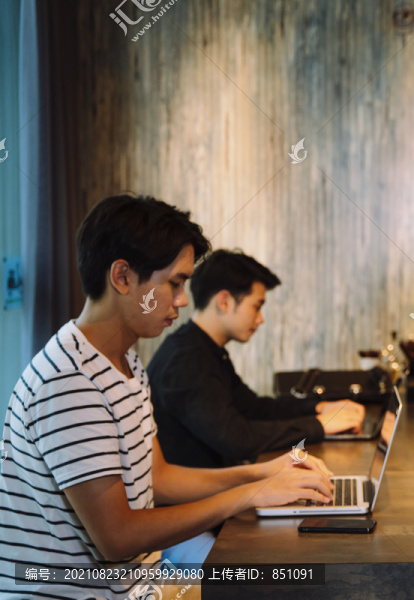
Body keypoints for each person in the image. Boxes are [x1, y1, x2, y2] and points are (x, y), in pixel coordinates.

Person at [0, 195, 334, 600]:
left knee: (293, 581)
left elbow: (159, 478)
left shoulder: (125, 363)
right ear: (122, 277)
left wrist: (262, 473)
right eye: (175, 283)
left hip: (142, 588)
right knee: (288, 588)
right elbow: (118, 537)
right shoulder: (69, 381)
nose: (181, 300)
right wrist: (248, 495)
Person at [147, 249, 365, 471]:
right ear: (224, 301)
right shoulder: (185, 360)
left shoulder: (205, 349)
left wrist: (318, 407)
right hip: (195, 501)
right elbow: (236, 438)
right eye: (257, 306)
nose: (260, 319)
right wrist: (319, 425)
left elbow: (253, 407)